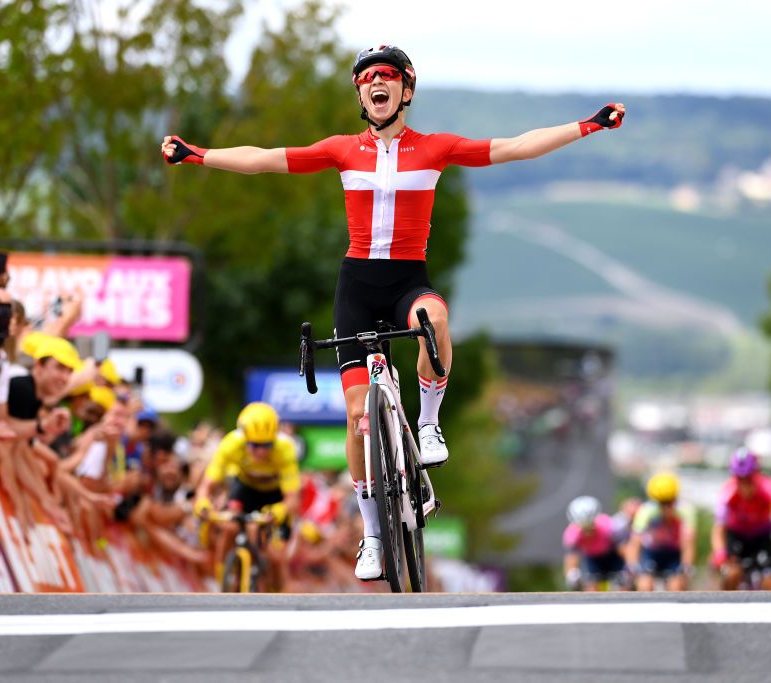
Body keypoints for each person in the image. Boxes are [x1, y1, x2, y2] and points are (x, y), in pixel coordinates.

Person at [162, 45, 626, 580]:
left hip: (408, 281)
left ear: (405, 91)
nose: (374, 84)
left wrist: (589, 125)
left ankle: (428, 426)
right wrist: (197, 154)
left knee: (435, 320)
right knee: (358, 418)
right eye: (365, 79)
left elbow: (518, 147)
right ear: (360, 94)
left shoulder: (435, 148)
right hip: (357, 286)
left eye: (385, 77)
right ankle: (374, 536)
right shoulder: (342, 149)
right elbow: (264, 158)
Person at [194, 402, 301, 590]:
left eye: (266, 445)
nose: (260, 451)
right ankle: (225, 580)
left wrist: (280, 510)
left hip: (275, 496)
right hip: (246, 489)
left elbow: (292, 498)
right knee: (229, 527)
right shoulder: (231, 444)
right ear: (244, 439)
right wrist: (202, 502)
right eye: (254, 445)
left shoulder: (285, 449)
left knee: (276, 556)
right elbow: (207, 485)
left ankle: (277, 591)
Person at [711, 448, 771, 590]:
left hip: (762, 537)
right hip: (736, 536)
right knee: (732, 574)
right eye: (740, 479)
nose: (745, 486)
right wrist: (720, 552)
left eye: (749, 479)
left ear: (756, 474)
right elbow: (718, 530)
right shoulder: (727, 491)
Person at [626, 473, 697, 592]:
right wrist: (632, 564)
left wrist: (686, 565)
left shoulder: (685, 510)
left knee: (676, 587)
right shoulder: (646, 511)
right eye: (661, 503)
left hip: (673, 553)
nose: (665, 507)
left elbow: (688, 543)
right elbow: (635, 542)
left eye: (669, 502)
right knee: (645, 585)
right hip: (651, 553)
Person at [562, 495, 629, 591]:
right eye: (583, 527)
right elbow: (572, 556)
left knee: (623, 584)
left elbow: (622, 549)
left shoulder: (608, 526)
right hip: (593, 559)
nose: (587, 532)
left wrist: (629, 566)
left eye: (589, 526)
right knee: (591, 586)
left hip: (613, 557)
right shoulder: (572, 534)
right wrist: (571, 573)